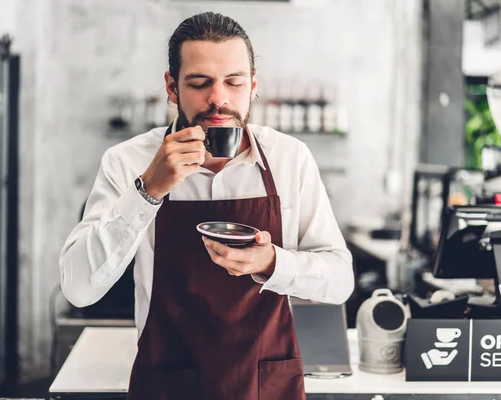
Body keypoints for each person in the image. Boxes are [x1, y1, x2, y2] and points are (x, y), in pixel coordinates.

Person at [59, 11, 354, 400]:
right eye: (200, 83)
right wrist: (148, 190)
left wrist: (272, 263)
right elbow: (78, 288)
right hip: (168, 382)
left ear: (252, 87)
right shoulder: (127, 162)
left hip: (266, 384)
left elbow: (340, 280)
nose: (219, 98)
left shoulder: (289, 159)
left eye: (234, 82)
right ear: (172, 87)